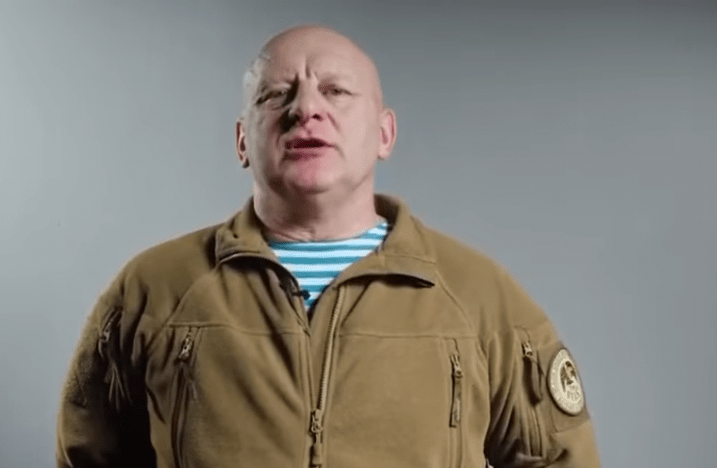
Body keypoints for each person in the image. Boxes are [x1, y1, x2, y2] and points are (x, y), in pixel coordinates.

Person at [56, 24, 600, 468]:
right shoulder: (153, 290)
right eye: (276, 94)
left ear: (384, 133)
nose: (306, 109)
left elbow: (560, 458)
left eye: (335, 91)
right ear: (243, 140)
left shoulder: (477, 295)